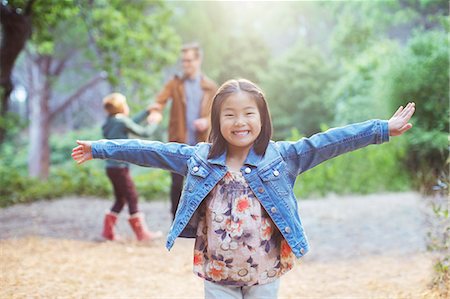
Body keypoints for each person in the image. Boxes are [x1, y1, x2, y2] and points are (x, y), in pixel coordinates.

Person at [72, 79, 415, 298]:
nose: (240, 123)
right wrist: (100, 147)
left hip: (264, 274)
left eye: (248, 113)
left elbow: (329, 141)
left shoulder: (282, 157)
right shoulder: (199, 158)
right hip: (217, 274)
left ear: (262, 118)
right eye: (230, 115)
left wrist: (381, 128)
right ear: (218, 122)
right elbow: (151, 151)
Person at [147, 42, 218, 219]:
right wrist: (156, 112)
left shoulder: (210, 87)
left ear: (198, 60)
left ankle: (201, 219)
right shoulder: (175, 83)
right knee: (176, 182)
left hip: (202, 143)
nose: (185, 64)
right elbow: (160, 100)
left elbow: (219, 113)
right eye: (183, 61)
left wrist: (206, 121)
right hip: (179, 139)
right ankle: (176, 220)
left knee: (202, 182)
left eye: (189, 60)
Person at [100, 92, 162, 242]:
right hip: (120, 167)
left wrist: (147, 111)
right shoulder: (121, 122)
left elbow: (130, 122)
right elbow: (144, 132)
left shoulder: (110, 122)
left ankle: (108, 232)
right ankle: (141, 234)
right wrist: (154, 121)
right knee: (132, 196)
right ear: (122, 108)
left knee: (120, 200)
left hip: (111, 168)